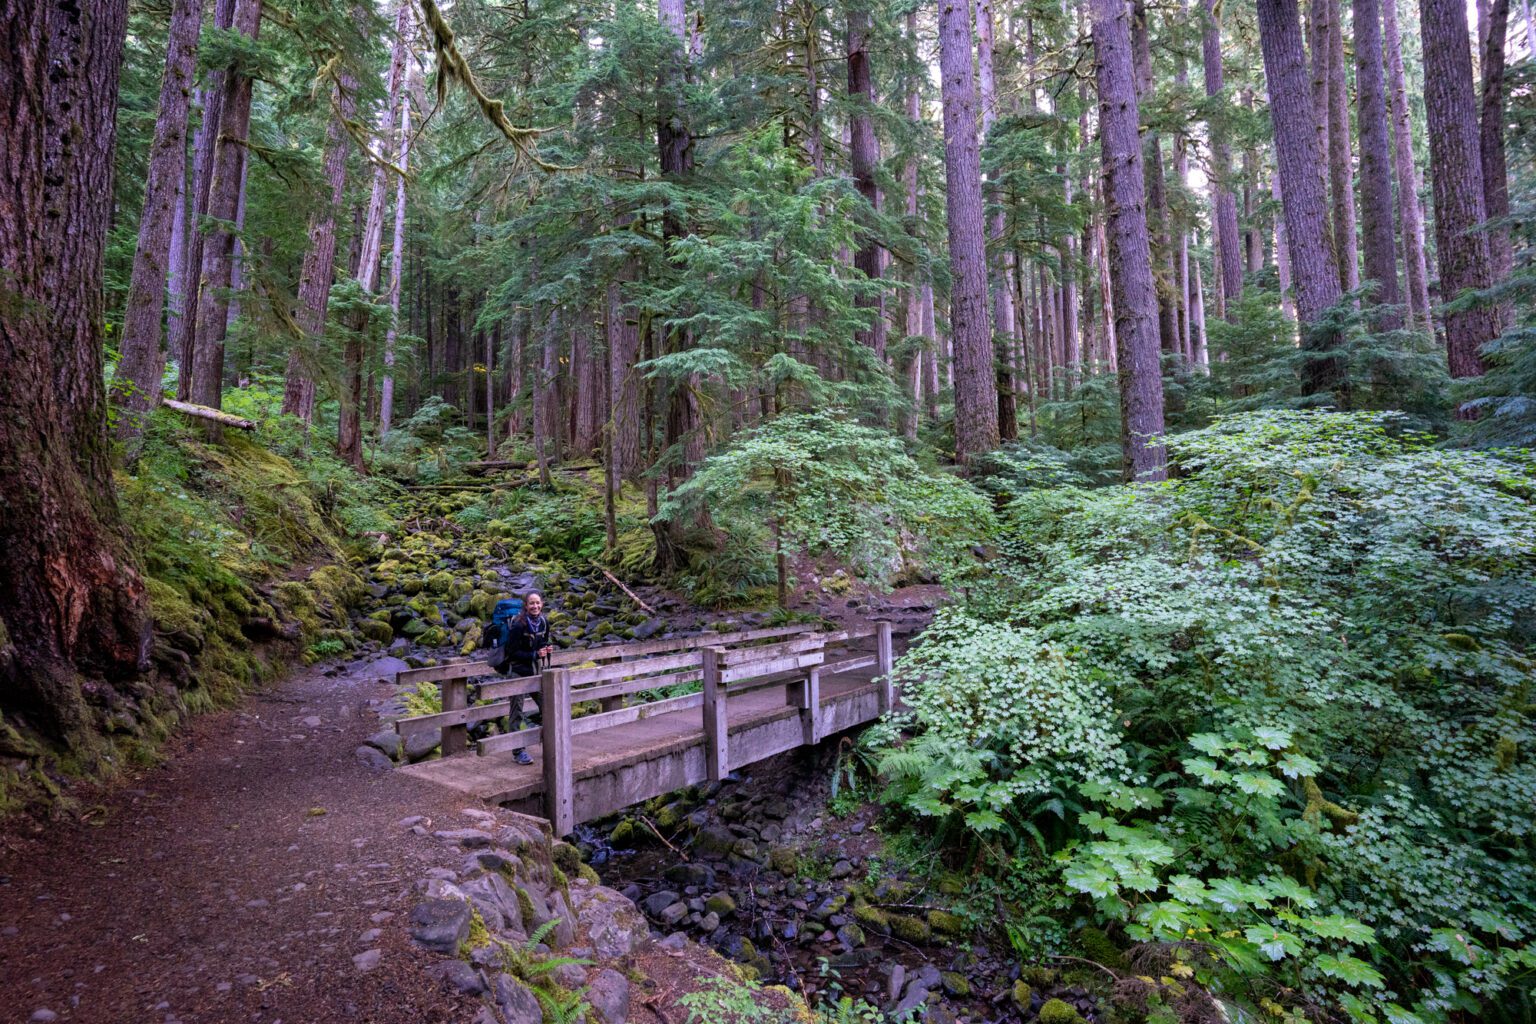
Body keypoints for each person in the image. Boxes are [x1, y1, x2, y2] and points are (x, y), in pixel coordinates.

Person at [492, 591, 554, 765]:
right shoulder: (518, 626)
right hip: (517, 672)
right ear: (525, 606)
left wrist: (546, 648)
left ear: (542, 604)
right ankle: (518, 751)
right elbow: (512, 653)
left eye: (537, 603)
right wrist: (535, 654)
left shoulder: (543, 622)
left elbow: (542, 641)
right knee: (516, 711)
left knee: (548, 705)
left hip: (535, 672)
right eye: (531, 603)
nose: (535, 606)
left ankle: (550, 741)